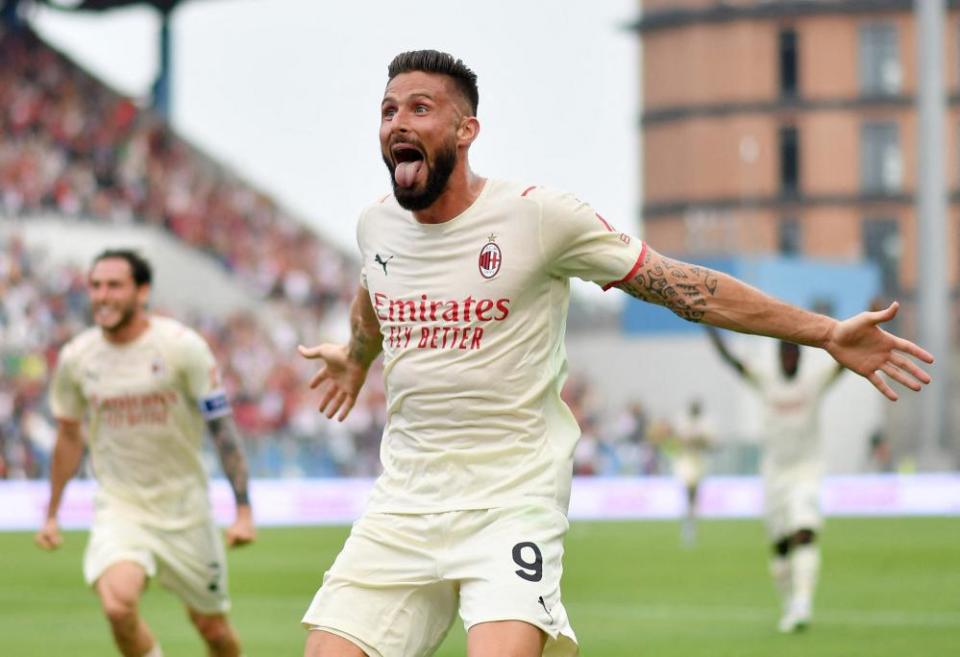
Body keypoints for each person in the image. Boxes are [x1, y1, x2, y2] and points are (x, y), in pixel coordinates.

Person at [296, 49, 933, 657]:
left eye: (419, 108)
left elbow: (684, 287)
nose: (398, 124)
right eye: (388, 111)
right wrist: (356, 357)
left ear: (467, 130)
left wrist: (822, 332)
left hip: (510, 502)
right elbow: (372, 293)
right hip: (403, 503)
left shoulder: (538, 217)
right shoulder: (375, 227)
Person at [35, 249, 255, 657]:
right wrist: (51, 512)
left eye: (114, 285)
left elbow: (221, 427)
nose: (102, 295)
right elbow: (68, 436)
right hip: (121, 506)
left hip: (184, 510)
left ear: (142, 292)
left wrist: (243, 510)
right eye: (95, 286)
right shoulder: (77, 358)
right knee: (118, 606)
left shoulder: (181, 347)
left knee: (213, 628)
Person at [707, 327, 844, 633]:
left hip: (806, 469)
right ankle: (790, 604)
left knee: (804, 531)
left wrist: (867, 328)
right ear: (779, 356)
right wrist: (708, 328)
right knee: (781, 547)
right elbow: (733, 361)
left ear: (801, 357)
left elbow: (843, 364)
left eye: (794, 353)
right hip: (775, 473)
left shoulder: (813, 381)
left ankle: (803, 603)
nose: (789, 359)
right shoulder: (765, 379)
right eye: (784, 353)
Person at [668, 398, 714, 547]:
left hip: (698, 462)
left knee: (694, 495)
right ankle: (688, 525)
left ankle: (690, 523)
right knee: (688, 493)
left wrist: (700, 441)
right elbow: (676, 440)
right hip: (686, 461)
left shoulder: (705, 424)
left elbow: (709, 443)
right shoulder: (683, 422)